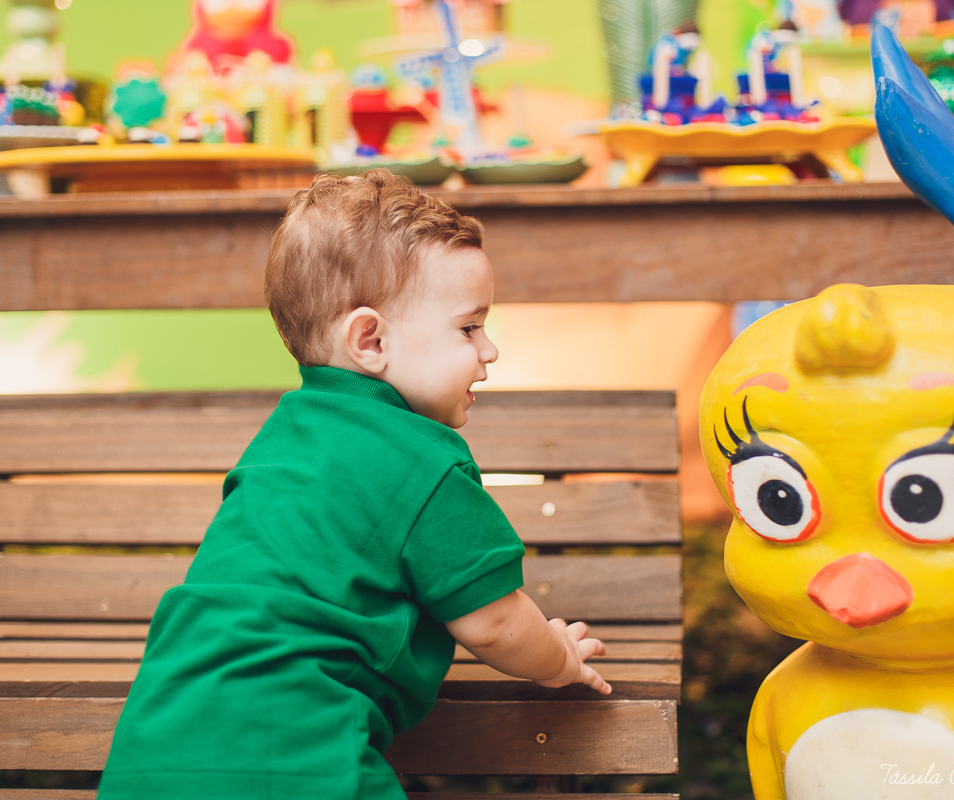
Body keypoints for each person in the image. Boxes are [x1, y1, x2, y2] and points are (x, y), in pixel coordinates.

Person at [97, 169, 610, 800]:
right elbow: (496, 623)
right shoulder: (424, 461)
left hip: (154, 744)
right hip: (300, 754)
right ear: (370, 340)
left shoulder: (282, 441)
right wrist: (558, 658)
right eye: (468, 328)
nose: (490, 350)